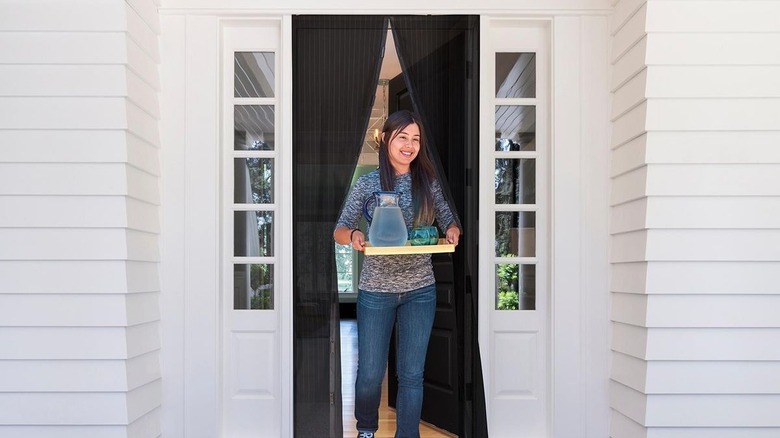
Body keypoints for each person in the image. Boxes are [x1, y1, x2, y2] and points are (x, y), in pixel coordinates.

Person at [333, 110, 462, 438]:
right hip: (376, 291)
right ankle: (366, 430)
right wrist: (354, 236)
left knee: (411, 375)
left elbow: (448, 218)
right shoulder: (369, 183)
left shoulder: (428, 182)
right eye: (403, 137)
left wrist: (451, 230)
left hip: (421, 289)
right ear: (387, 139)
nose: (410, 145)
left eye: (415, 139)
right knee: (371, 373)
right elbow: (341, 229)